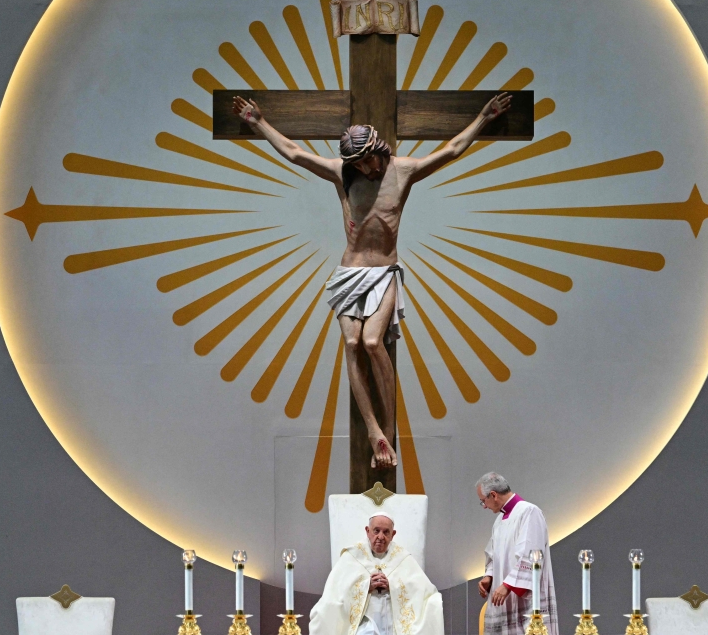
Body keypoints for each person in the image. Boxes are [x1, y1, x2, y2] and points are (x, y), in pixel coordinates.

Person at [233, 93, 512, 470]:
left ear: (379, 149)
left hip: (383, 272)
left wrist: (484, 117)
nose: (366, 169)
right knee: (351, 343)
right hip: (350, 272)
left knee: (371, 341)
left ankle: (389, 430)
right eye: (358, 164)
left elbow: (452, 150)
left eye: (368, 160)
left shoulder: (404, 171)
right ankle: (372, 430)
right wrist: (257, 122)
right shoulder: (343, 173)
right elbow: (296, 153)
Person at [309, 512, 444, 635]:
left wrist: (393, 587)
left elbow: (425, 593)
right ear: (367, 531)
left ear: (393, 534)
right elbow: (335, 594)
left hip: (394, 622)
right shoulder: (352, 556)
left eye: (386, 532)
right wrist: (366, 586)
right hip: (362, 622)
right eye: (376, 531)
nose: (381, 537)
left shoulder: (403, 558)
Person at [476, 472, 558, 635]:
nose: (484, 506)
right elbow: (494, 556)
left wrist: (507, 585)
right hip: (504, 599)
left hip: (524, 602)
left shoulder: (529, 512)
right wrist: (489, 576)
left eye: (483, 501)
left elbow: (533, 554)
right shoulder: (499, 521)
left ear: (493, 495)